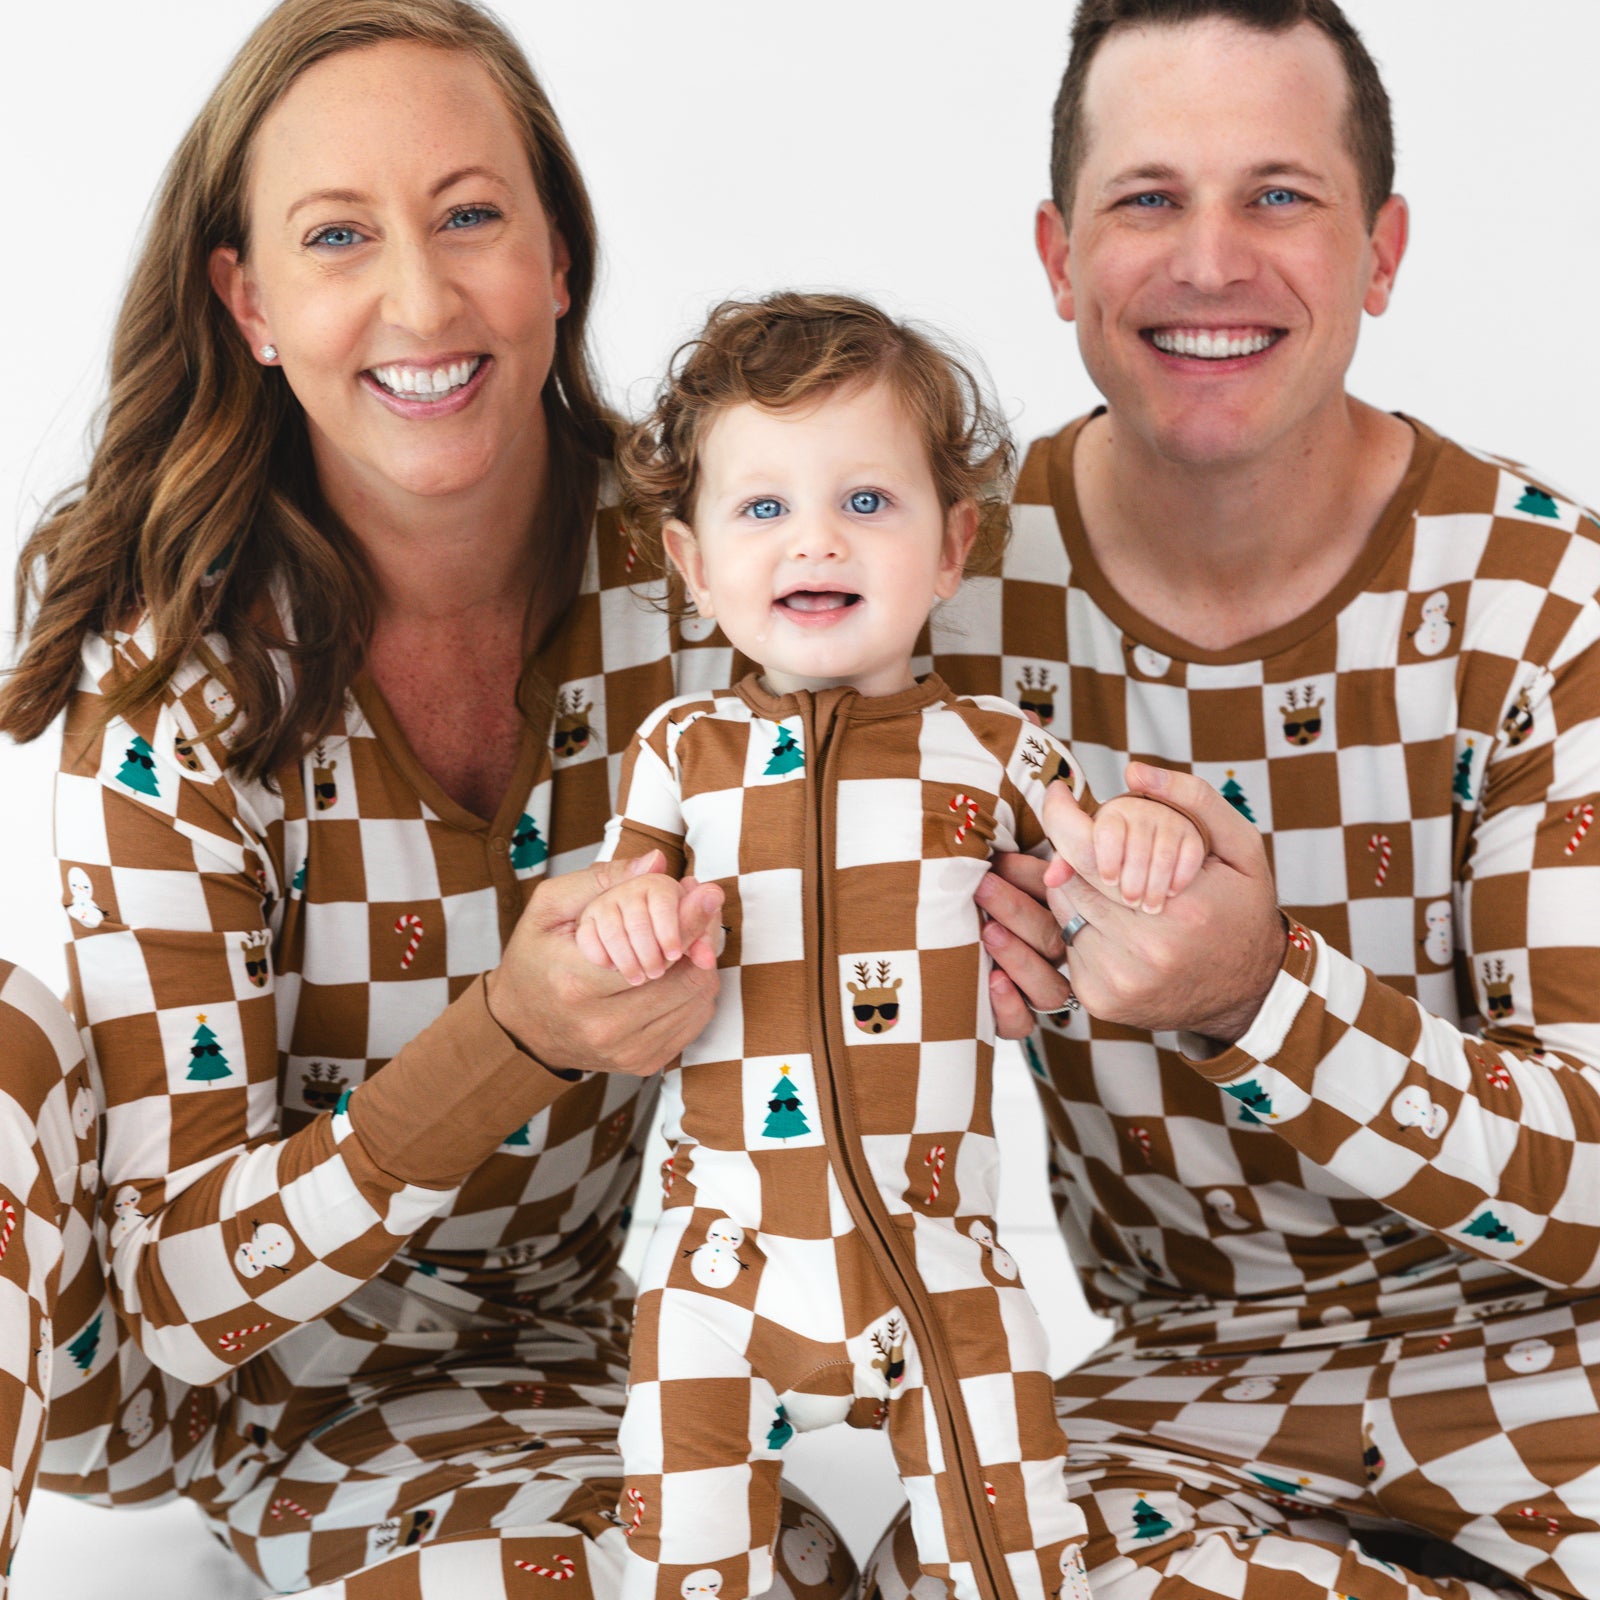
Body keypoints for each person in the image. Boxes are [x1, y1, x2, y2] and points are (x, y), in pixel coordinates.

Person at [0, 1, 855, 1594]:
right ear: (246, 303)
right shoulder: (177, 663)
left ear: (558, 262)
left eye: (471, 216)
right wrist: (512, 1038)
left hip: (555, 1356)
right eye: (338, 237)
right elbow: (182, 1292)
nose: (419, 297)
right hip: (196, 1370)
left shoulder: (727, 577)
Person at [865, 2, 1600, 1598]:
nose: (1209, 262)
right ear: (1059, 257)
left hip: (1569, 1364)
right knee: (956, 1566)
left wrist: (1261, 994)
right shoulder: (930, 591)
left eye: (1278, 195)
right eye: (1148, 199)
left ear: (1380, 252)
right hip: (1188, 1391)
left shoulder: (1549, 603)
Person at [583, 292, 1206, 1600]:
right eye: (764, 509)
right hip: (718, 1284)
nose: (818, 536)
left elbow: (1097, 869)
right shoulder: (677, 758)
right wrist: (630, 919)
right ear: (693, 569)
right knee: (683, 1565)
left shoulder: (993, 749)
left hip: (943, 1264)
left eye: (869, 501)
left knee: (1018, 1560)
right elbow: (609, 916)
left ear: (951, 547)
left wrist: (1142, 845)